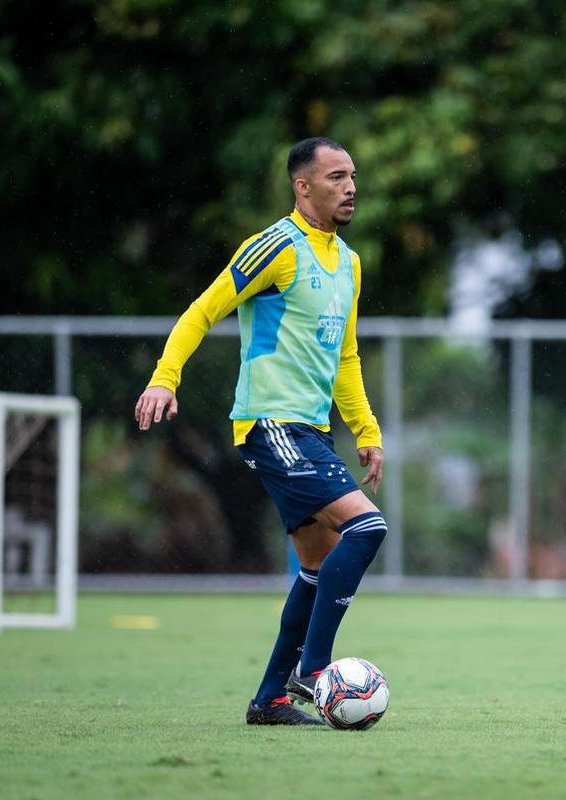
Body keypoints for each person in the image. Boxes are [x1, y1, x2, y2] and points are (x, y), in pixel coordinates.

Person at [134, 137, 388, 726]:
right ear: (303, 187)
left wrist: (366, 430)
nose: (350, 186)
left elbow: (344, 357)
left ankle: (270, 699)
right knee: (368, 526)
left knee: (317, 565)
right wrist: (164, 378)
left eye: (353, 175)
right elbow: (202, 309)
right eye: (335, 176)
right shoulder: (276, 247)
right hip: (270, 424)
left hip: (312, 432)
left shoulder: (348, 262)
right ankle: (315, 668)